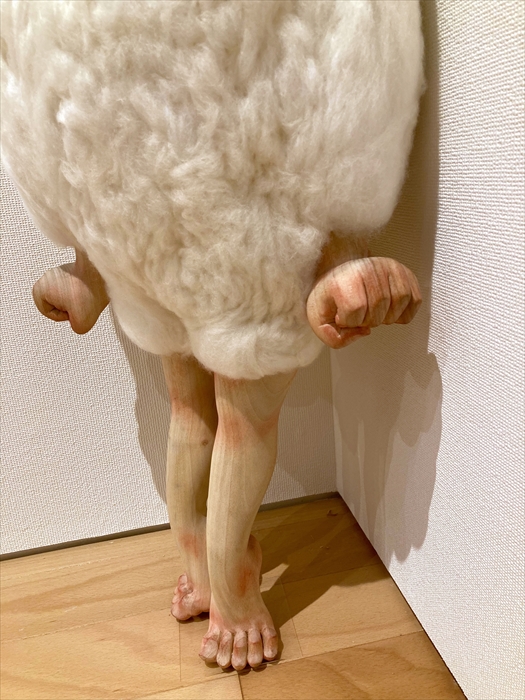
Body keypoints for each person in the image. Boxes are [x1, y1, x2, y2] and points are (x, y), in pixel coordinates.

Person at [1, 0, 424, 670]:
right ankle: (232, 595)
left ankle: (201, 570)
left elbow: (45, 76)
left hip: (142, 217)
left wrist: (88, 246)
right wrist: (339, 243)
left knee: (188, 410)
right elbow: (342, 60)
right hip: (252, 213)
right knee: (242, 422)